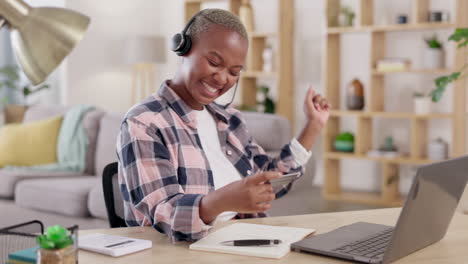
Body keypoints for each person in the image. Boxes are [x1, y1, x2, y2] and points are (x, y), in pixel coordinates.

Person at [117, 8, 330, 243]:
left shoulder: (230, 119)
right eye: (214, 62)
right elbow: (163, 215)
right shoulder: (145, 122)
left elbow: (268, 183)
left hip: (241, 240)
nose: (221, 78)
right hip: (179, 250)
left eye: (233, 72)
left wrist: (313, 125)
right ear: (183, 48)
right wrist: (222, 201)